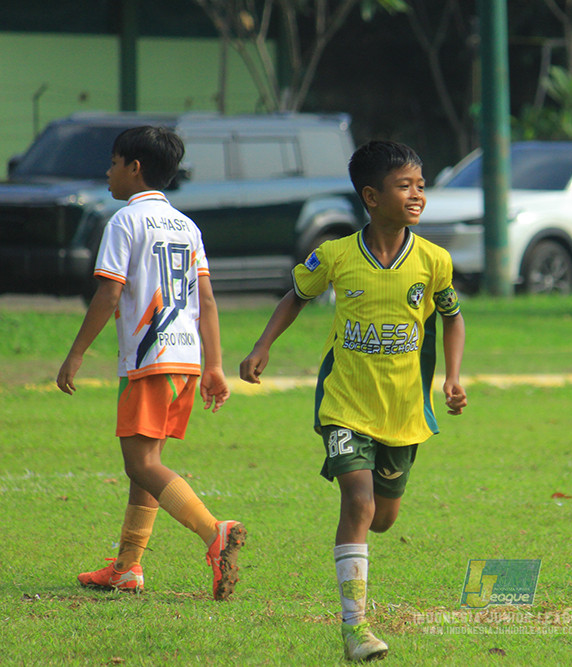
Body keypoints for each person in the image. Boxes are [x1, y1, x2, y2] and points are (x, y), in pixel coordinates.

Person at [239, 140, 467, 662]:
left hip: (405, 411)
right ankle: (355, 628)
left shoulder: (434, 261)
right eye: (404, 186)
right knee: (358, 503)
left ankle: (357, 591)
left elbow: (451, 316)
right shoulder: (336, 255)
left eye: (421, 186)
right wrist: (262, 346)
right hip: (344, 405)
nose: (417, 195)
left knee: (383, 518)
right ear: (371, 195)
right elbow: (295, 295)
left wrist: (453, 377)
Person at [56, 126, 245, 601]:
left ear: (134, 167)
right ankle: (127, 566)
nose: (108, 171)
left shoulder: (125, 220)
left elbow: (110, 291)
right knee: (148, 463)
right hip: (185, 359)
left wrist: (77, 351)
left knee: (140, 464)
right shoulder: (186, 225)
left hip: (149, 356)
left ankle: (212, 531)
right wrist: (215, 365)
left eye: (114, 162)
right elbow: (207, 299)